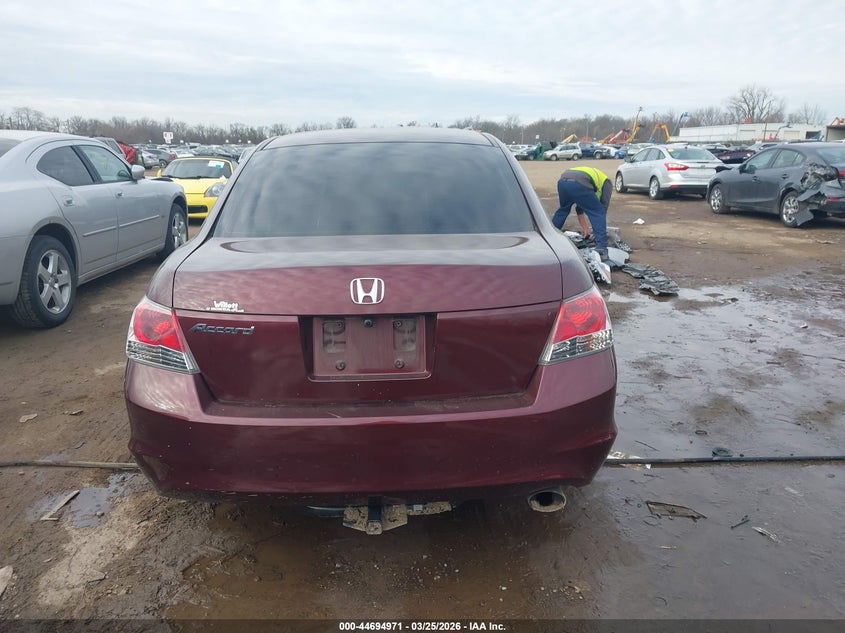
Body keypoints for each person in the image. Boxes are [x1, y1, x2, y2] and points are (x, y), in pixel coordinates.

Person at [552, 166, 612, 259]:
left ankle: (549, 236)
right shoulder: (607, 183)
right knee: (598, 212)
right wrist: (598, 234)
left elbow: (580, 207)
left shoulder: (592, 181)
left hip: (563, 181)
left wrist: (585, 229)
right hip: (579, 182)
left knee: (563, 210)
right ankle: (601, 249)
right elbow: (602, 210)